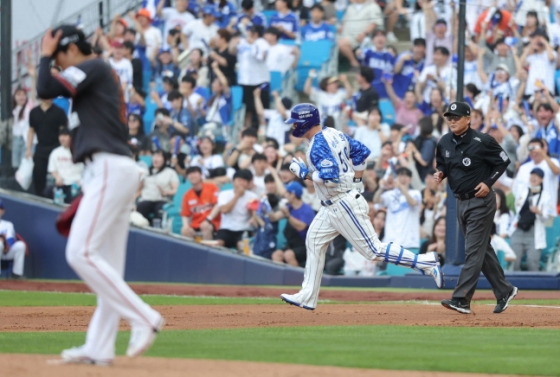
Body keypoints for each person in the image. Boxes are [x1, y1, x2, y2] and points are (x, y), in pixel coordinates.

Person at [37, 25, 164, 364]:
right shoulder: (95, 77)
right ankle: (98, 346)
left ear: (70, 49)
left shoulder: (93, 65)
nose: (59, 64)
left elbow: (45, 87)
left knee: (79, 253)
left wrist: (44, 55)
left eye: (61, 56)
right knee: (106, 265)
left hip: (108, 167)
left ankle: (143, 317)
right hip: (112, 168)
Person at [279, 103, 442, 311]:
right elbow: (361, 153)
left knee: (373, 250)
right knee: (314, 240)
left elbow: (330, 180)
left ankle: (425, 262)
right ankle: (307, 295)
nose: (293, 127)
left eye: (296, 122)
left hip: (341, 202)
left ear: (306, 122)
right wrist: (357, 181)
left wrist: (304, 174)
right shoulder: (334, 133)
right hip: (334, 203)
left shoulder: (318, 145)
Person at [434, 101, 517, 315]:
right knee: (482, 249)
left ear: (468, 119)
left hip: (481, 201)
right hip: (460, 201)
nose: (452, 121)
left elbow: (503, 161)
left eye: (457, 117)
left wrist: (489, 183)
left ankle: (461, 299)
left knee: (472, 250)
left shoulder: (483, 141)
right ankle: (504, 290)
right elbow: (442, 163)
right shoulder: (444, 142)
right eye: (449, 117)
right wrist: (440, 173)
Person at [509, 168, 554, 271]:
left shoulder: (546, 196)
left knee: (532, 263)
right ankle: (513, 286)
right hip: (519, 229)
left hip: (534, 232)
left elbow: (549, 215)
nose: (533, 178)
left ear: (542, 179)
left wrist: (539, 211)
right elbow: (517, 208)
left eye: (537, 176)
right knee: (514, 262)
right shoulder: (522, 191)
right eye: (532, 175)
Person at [26, 98, 68, 196]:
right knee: (38, 174)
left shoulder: (59, 112)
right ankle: (39, 197)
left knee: (60, 175)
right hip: (41, 148)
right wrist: (28, 149)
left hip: (56, 148)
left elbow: (63, 131)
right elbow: (31, 130)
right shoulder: (34, 112)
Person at [374, 167, 422, 250]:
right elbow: (376, 201)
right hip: (391, 243)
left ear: (410, 179)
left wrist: (401, 188)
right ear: (397, 178)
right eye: (401, 175)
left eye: (406, 176)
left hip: (410, 243)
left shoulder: (415, 193)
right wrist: (381, 187)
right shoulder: (390, 194)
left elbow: (413, 203)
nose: (403, 178)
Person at [269, 181, 315, 266]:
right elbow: (274, 218)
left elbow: (301, 227)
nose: (285, 195)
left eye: (287, 192)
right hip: (292, 244)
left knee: (288, 255)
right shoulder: (289, 207)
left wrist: (288, 216)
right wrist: (267, 208)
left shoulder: (307, 209)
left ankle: (297, 279)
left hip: (306, 246)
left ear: (293, 195)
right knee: (276, 255)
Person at [215, 169, 259, 249]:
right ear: (233, 181)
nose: (241, 183)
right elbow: (224, 210)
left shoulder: (253, 197)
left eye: (244, 181)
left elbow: (254, 215)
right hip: (226, 228)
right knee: (218, 244)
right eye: (239, 180)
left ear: (248, 183)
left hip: (244, 229)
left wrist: (253, 218)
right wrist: (237, 195)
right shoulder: (224, 194)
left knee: (242, 246)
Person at [136, 150, 179, 225]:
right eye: (154, 156)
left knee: (159, 209)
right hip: (146, 199)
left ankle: (157, 230)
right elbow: (139, 189)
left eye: (159, 156)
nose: (156, 159)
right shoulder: (146, 172)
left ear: (164, 160)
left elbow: (175, 190)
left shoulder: (170, 172)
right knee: (142, 206)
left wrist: (166, 193)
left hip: (161, 200)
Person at [181, 166, 221, 240]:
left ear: (201, 175)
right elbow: (185, 214)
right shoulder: (187, 195)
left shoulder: (212, 187)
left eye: (195, 173)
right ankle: (193, 250)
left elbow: (217, 205)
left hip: (212, 221)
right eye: (189, 173)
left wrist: (208, 220)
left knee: (205, 226)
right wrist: (185, 226)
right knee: (185, 231)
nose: (192, 175)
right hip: (196, 223)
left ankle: (207, 250)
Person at [45, 127, 84, 203]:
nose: (62, 138)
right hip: (61, 183)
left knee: (73, 195)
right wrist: (57, 178)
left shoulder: (79, 151)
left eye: (65, 136)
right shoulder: (55, 152)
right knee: (47, 191)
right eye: (61, 136)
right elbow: (52, 169)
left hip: (75, 184)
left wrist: (81, 181)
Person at [0, 200, 26, 280]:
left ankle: (16, 274)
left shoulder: (7, 224)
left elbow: (10, 239)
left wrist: (6, 245)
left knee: (20, 245)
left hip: (4, 251)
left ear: (3, 211)